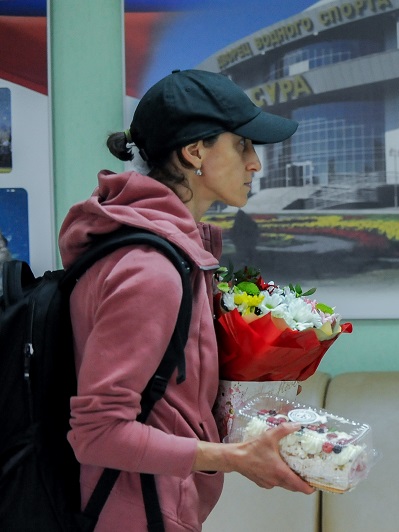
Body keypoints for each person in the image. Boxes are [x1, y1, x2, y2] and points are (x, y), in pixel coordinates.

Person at [58, 69, 314, 532]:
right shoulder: (150, 269)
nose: (255, 164)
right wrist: (236, 458)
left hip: (151, 507)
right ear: (194, 152)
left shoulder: (164, 251)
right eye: (242, 145)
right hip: (135, 515)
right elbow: (97, 433)